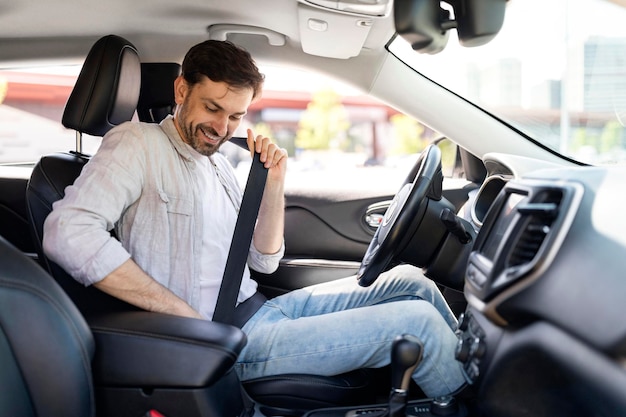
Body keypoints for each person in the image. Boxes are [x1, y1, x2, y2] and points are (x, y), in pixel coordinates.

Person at [43, 39, 468, 398]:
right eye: (213, 108)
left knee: (412, 281)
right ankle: (481, 399)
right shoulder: (137, 144)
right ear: (180, 90)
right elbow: (68, 232)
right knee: (418, 325)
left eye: (236, 116)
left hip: (260, 310)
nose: (222, 127)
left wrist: (274, 183)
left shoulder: (218, 164)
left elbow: (263, 263)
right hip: (222, 341)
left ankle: (472, 363)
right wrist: (180, 315)